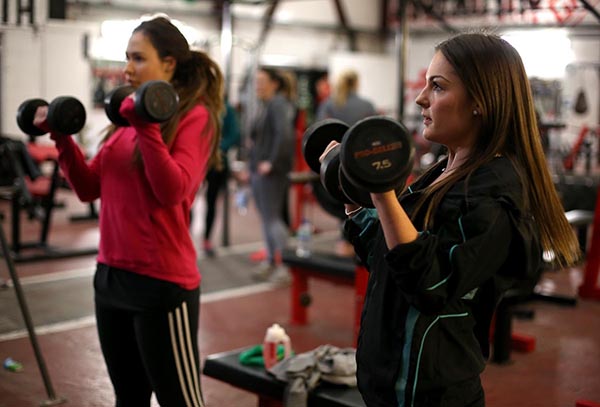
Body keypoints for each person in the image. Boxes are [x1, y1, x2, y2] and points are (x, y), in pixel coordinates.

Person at [320, 32, 580, 407]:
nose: (421, 98)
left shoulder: (494, 196)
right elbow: (386, 256)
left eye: (437, 87)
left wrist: (381, 190)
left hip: (431, 394)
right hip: (390, 385)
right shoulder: (445, 169)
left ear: (480, 102)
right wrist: (352, 195)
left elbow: (429, 284)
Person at [34, 16, 223, 407]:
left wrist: (147, 128)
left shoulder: (194, 116)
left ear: (168, 64)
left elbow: (173, 190)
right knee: (129, 399)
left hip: (161, 286)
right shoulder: (126, 121)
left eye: (138, 58)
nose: (127, 69)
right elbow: (87, 188)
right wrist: (62, 136)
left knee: (180, 402)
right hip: (110, 279)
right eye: (127, 58)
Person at [316, 69, 376, 257]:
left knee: (344, 201)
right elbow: (374, 134)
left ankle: (347, 238)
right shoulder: (367, 105)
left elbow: (319, 133)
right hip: (362, 163)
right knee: (358, 203)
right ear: (356, 83)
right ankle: (354, 240)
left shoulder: (329, 104)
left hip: (336, 164)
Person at [248, 67, 295, 282]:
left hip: (271, 172)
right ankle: (270, 260)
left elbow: (284, 136)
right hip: (258, 170)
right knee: (267, 220)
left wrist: (271, 163)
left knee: (273, 219)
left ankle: (287, 266)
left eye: (262, 81)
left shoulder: (278, 104)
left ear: (274, 83)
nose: (258, 85)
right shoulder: (265, 105)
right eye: (256, 81)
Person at [202, 100, 240, 257]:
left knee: (211, 201)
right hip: (196, 160)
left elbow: (234, 134)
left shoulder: (226, 109)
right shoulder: (198, 106)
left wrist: (217, 148)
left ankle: (207, 239)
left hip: (217, 163)